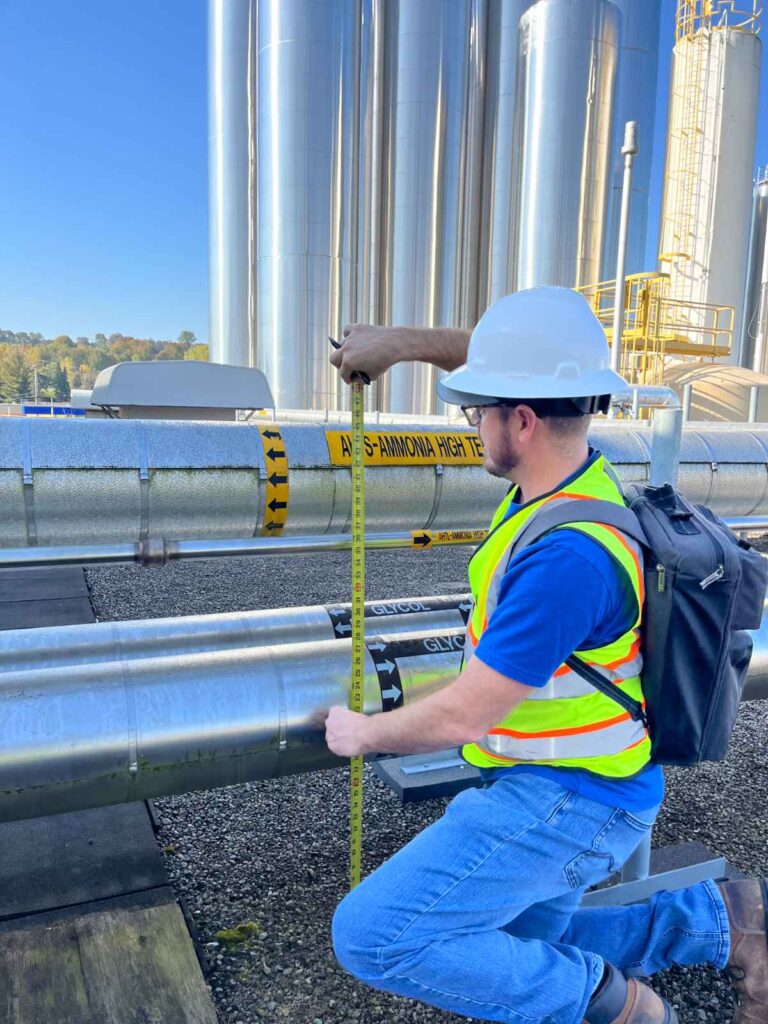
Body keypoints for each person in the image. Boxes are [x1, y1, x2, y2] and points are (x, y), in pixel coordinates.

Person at [324, 288, 768, 1024]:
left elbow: (467, 714)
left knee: (375, 935)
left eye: (477, 413)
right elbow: (517, 358)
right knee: (519, 943)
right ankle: (724, 920)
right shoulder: (569, 483)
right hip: (578, 782)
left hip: (569, 801)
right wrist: (401, 342)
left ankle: (620, 1008)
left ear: (521, 420)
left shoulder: (568, 557)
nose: (473, 428)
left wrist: (361, 733)